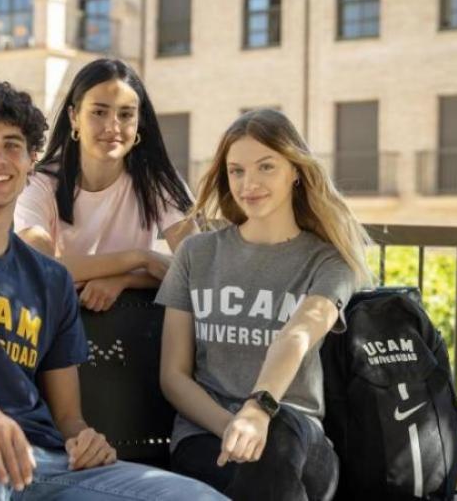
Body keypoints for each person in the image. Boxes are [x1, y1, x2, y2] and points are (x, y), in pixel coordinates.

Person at [0, 81, 226, 501]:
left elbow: (68, 417)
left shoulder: (49, 279)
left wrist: (84, 439)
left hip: (45, 465)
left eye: (12, 145)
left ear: (32, 160)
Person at [156, 109, 375, 500]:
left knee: (277, 442)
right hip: (207, 436)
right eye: (236, 170)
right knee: (261, 463)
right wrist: (233, 426)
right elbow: (173, 375)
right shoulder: (196, 254)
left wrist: (258, 409)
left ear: (295, 170)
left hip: (299, 440)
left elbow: (298, 333)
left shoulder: (329, 261)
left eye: (266, 167)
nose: (249, 183)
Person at [16, 58, 195, 312]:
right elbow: (40, 268)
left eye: (125, 114)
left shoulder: (158, 180)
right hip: (57, 321)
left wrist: (126, 279)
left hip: (137, 324)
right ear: (74, 117)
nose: (113, 127)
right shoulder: (38, 183)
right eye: (99, 112)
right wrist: (139, 258)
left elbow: (198, 268)